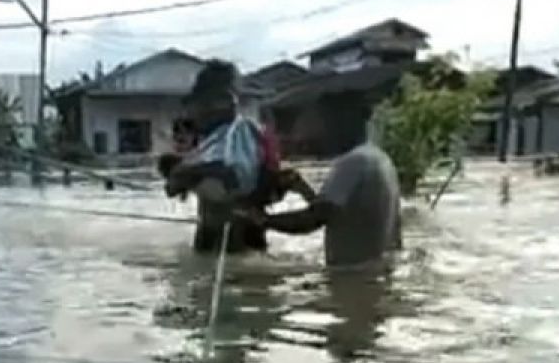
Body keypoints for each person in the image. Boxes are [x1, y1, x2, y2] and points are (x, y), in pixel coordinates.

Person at [162, 60, 276, 254]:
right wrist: (179, 178)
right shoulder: (211, 138)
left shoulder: (241, 131)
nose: (192, 113)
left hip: (236, 236)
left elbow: (238, 177)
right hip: (210, 232)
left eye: (197, 104)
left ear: (221, 101)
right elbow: (176, 188)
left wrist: (191, 171)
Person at [240, 141, 403, 269]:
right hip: (372, 275)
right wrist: (305, 191)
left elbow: (316, 217)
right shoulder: (383, 160)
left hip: (347, 279)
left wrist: (264, 220)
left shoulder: (351, 164)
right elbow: (337, 211)